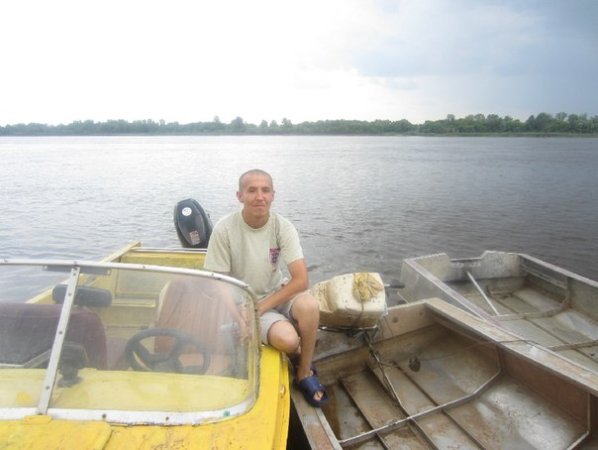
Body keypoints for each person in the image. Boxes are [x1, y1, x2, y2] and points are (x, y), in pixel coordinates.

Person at [204, 169, 328, 407]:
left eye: (265, 190)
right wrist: (241, 318)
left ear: (273, 195)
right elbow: (218, 282)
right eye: (252, 190)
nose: (259, 196)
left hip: (275, 294)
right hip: (246, 302)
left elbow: (301, 280)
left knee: (310, 306)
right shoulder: (225, 229)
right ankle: (293, 342)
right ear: (240, 196)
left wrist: (259, 310)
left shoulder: (282, 227)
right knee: (289, 341)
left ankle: (304, 371)